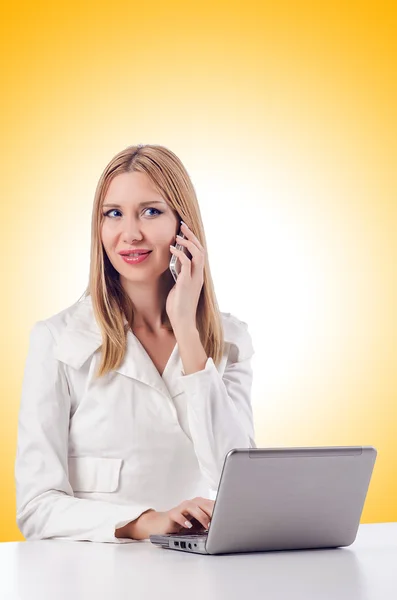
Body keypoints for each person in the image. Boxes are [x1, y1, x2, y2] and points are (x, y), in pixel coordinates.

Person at [14, 144, 256, 543]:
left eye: (151, 211)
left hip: (194, 574)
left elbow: (237, 482)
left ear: (184, 224)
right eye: (114, 214)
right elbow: (36, 507)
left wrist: (187, 331)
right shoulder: (57, 340)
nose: (130, 233)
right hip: (92, 576)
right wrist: (147, 522)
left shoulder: (228, 342)